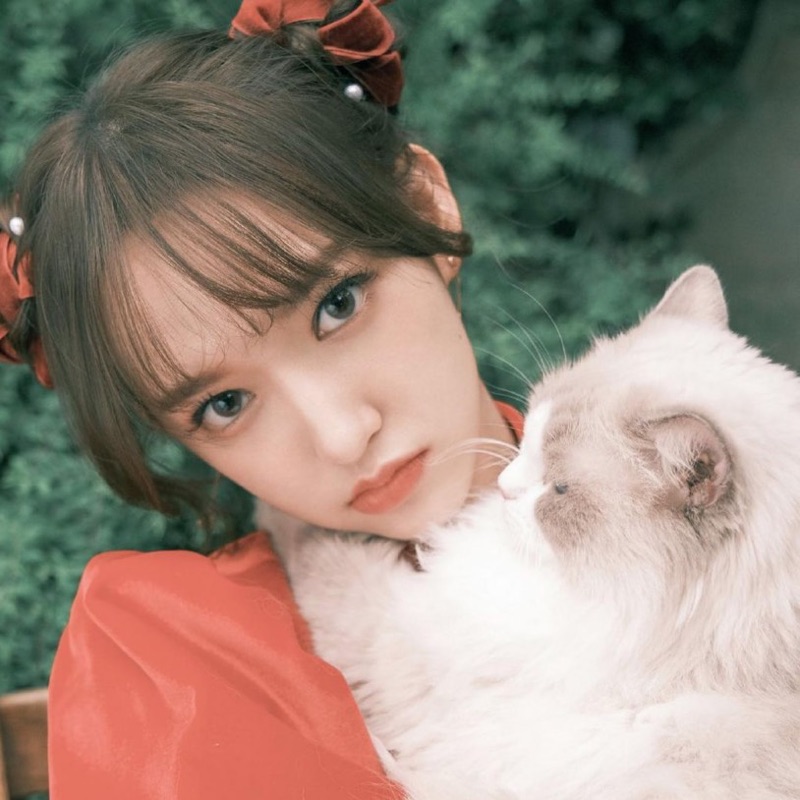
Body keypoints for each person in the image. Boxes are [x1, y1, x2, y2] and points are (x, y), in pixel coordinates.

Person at [0, 0, 524, 797]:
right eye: (224, 405)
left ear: (426, 203)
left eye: (337, 306)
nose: (343, 436)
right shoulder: (193, 674)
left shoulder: (708, 460)